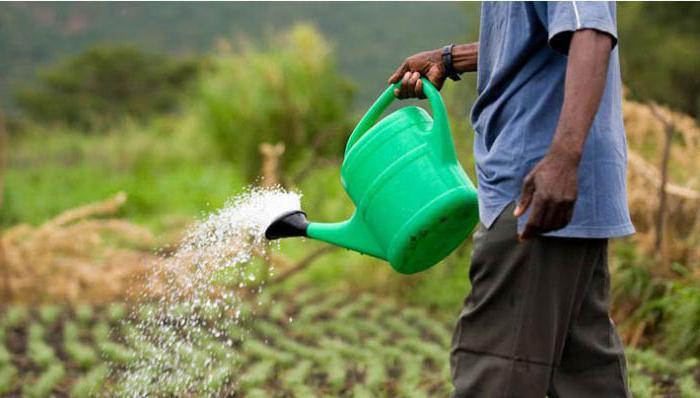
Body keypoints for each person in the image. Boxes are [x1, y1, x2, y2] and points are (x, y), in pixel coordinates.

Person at [388, 2, 634, 397]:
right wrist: (451, 59)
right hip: (550, 187)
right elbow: (532, 42)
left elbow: (590, 34)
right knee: (583, 378)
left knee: (495, 372)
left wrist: (562, 159)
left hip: (535, 185)